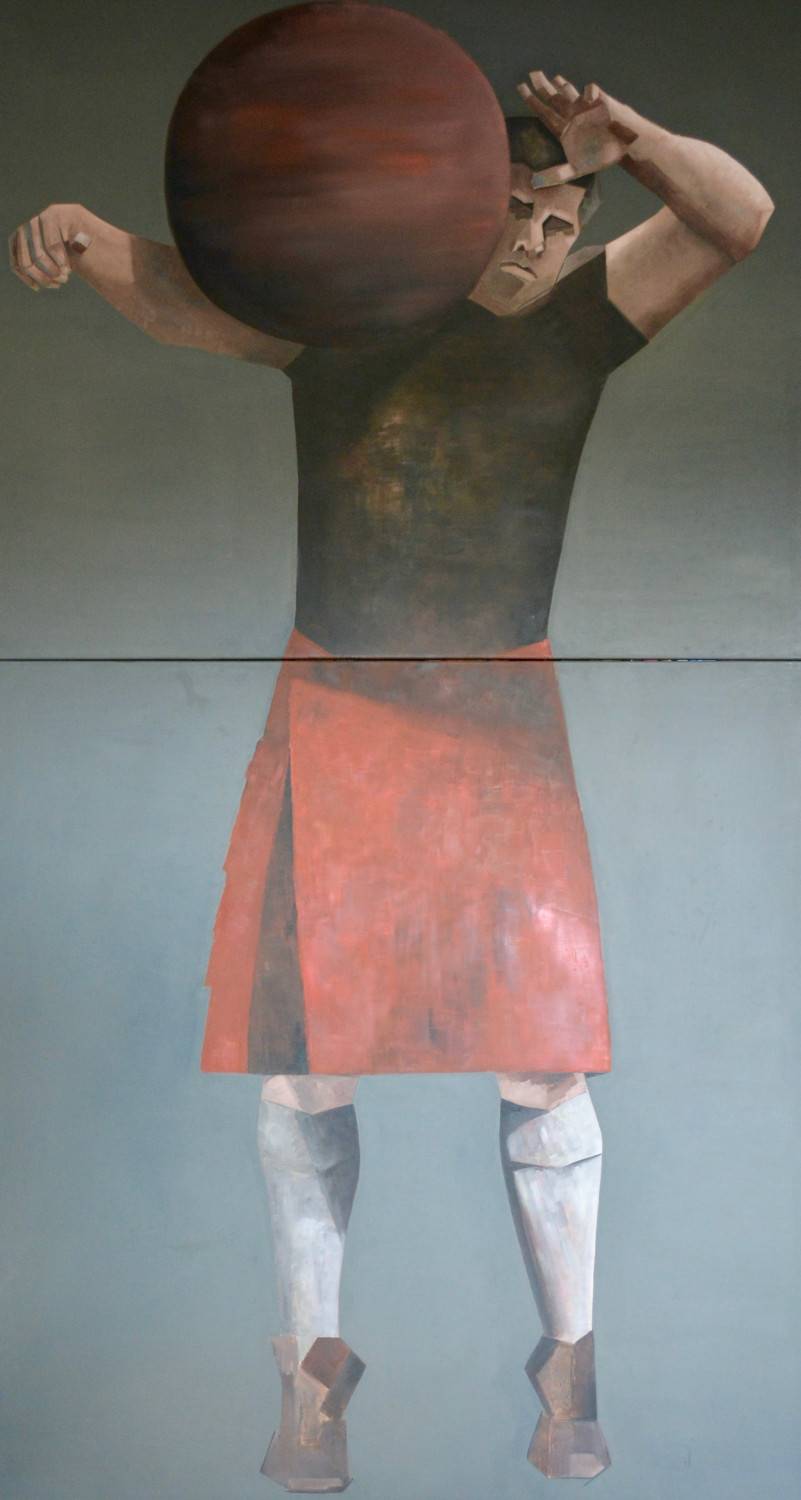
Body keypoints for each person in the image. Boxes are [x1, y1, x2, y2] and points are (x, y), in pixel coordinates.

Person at [10, 68, 773, 1489]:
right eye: (515, 208)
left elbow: (735, 217)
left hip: (498, 725)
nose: (539, 238)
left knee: (545, 1056)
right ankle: (311, 1377)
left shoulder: (584, 322)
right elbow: (180, 294)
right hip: (338, 709)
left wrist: (631, 140)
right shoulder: (346, 320)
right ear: (448, 208)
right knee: (304, 1065)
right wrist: (83, 232)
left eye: (561, 215)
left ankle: (571, 1372)